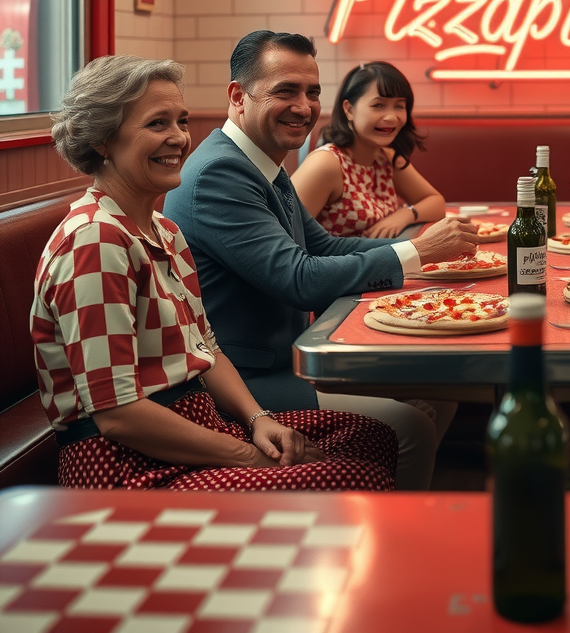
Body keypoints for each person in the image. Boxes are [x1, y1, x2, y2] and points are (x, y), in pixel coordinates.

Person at [31, 55, 397, 491]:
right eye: (157, 124)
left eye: (181, 121)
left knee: (369, 435)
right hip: (128, 466)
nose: (179, 138)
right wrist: (249, 457)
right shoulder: (95, 240)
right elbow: (118, 414)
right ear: (101, 142)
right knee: (351, 474)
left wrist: (259, 420)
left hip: (199, 425)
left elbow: (207, 346)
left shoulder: (164, 231)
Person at [163, 31, 477, 490]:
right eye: (285, 91)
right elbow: (300, 279)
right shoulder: (219, 172)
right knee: (411, 425)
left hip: (291, 353)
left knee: (438, 391)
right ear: (238, 96)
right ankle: (397, 525)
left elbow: (325, 247)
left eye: (312, 92)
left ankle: (374, 494)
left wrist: (424, 252)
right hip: (244, 378)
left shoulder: (263, 162)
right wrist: (419, 252)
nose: (304, 106)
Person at [292, 61, 444, 238]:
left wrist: (404, 215)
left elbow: (436, 202)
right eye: (378, 105)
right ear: (349, 110)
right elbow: (284, 236)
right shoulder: (327, 163)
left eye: (399, 106)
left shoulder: (386, 158)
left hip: (380, 255)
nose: (391, 117)